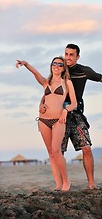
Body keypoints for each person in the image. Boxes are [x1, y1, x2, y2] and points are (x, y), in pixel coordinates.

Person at [40, 44, 102, 190]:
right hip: (58, 116)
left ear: (77, 57)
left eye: (72, 55)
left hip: (75, 114)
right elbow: (47, 89)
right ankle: (61, 184)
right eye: (66, 54)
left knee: (86, 148)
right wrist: (42, 104)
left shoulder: (84, 71)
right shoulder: (58, 68)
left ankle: (91, 184)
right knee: (58, 151)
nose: (68, 57)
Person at [16, 56, 77, 191]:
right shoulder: (46, 82)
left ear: (63, 68)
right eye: (54, 64)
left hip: (58, 120)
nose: (56, 66)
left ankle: (66, 181)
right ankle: (58, 184)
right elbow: (36, 73)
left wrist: (65, 111)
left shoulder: (67, 83)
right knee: (50, 153)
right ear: (51, 66)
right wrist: (26, 64)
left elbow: (74, 103)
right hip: (43, 120)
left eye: (60, 65)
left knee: (56, 150)